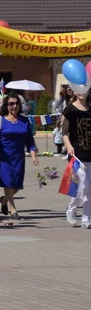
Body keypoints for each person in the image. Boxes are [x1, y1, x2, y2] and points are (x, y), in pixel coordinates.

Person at [0, 93, 39, 220]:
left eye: (16, 103)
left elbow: (30, 141)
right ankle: (13, 209)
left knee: (16, 186)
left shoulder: (24, 121)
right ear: (6, 105)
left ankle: (4, 199)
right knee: (7, 182)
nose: (14, 106)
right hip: (4, 157)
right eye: (11, 103)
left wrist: (34, 156)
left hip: (19, 158)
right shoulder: (0, 120)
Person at [61, 91, 91, 228]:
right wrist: (68, 146)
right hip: (77, 155)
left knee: (88, 189)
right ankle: (71, 210)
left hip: (89, 154)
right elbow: (64, 132)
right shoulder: (70, 110)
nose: (82, 92)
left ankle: (86, 218)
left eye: (85, 88)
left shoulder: (90, 108)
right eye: (79, 89)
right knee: (84, 186)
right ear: (74, 90)